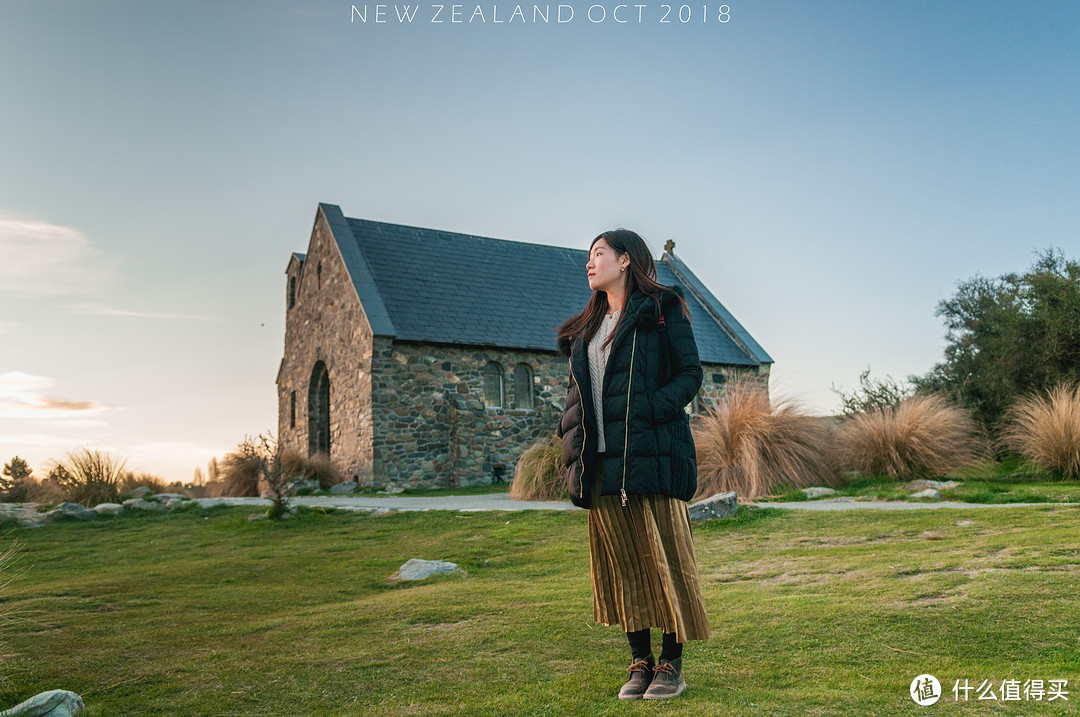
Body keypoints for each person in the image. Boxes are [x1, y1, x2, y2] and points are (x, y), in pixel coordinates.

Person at [555, 228, 711, 701]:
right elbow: (577, 401)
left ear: (626, 260)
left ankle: (671, 663)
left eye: (598, 254)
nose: (589, 263)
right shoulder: (584, 330)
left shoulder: (662, 310)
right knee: (623, 567)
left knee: (666, 561)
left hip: (654, 458)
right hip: (602, 466)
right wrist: (574, 450)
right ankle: (639, 661)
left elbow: (690, 375)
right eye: (588, 256)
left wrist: (648, 409)